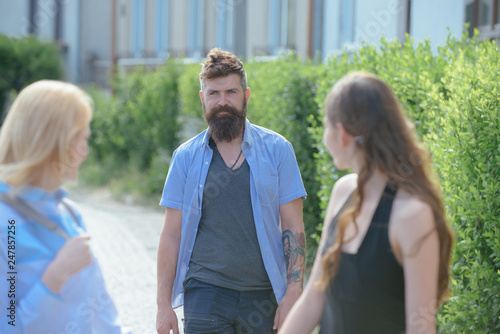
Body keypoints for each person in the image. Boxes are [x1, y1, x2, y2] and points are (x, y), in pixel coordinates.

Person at [279, 72, 454, 334]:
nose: (325, 138)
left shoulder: (412, 214)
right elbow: (315, 297)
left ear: (342, 133)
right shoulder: (342, 191)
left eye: (326, 126)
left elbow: (420, 327)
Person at [156, 48, 307, 334]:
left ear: (246, 96)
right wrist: (163, 306)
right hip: (205, 292)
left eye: (231, 92)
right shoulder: (185, 157)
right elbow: (171, 234)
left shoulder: (278, 150)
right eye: (214, 93)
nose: (222, 101)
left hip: (264, 296)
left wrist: (293, 291)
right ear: (203, 99)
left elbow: (293, 226)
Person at [0, 80, 131, 333]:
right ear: (51, 141)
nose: (85, 150)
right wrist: (54, 278)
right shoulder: (7, 223)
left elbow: (100, 313)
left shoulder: (69, 212)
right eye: (80, 138)